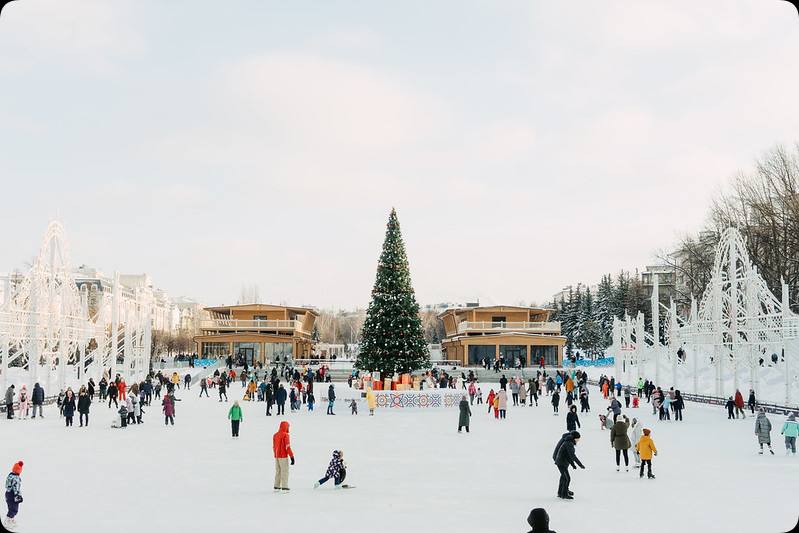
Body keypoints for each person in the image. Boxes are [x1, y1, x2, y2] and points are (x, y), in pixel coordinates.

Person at [553, 431, 584, 499]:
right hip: (560, 460)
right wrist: (580, 465)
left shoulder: (567, 439)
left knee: (565, 477)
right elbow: (572, 455)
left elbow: (568, 455)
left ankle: (562, 491)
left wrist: (573, 464)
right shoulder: (568, 442)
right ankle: (563, 493)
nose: (579, 440)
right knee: (566, 478)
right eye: (578, 438)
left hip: (562, 460)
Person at [273, 421, 295, 491]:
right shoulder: (286, 435)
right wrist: (292, 456)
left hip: (277, 456)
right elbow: (287, 447)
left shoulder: (275, 435)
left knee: (278, 471)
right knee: (284, 471)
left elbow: (274, 446)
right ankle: (284, 486)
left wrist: (275, 455)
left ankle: (276, 486)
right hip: (283, 456)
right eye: (288, 427)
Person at [4, 461, 23, 530]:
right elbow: (16, 487)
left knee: (11, 508)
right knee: (14, 509)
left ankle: (11, 520)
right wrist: (17, 495)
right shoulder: (16, 478)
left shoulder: (9, 476)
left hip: (8, 493)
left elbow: (7, 485)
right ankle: (7, 521)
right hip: (13, 494)